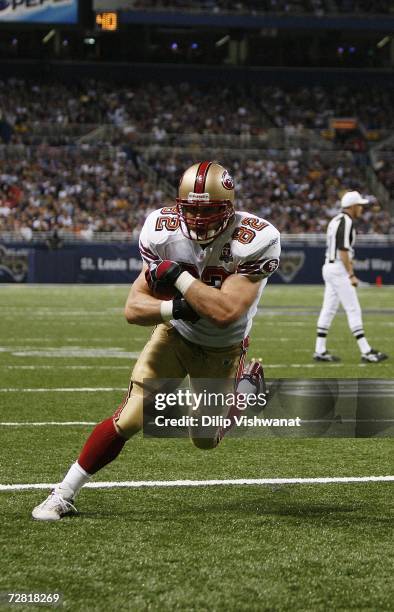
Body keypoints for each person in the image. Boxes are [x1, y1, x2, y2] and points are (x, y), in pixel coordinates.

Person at [32, 161, 281, 521]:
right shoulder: (161, 230)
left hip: (222, 347)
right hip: (175, 334)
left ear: (228, 209)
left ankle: (244, 391)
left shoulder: (256, 238)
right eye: (191, 210)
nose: (198, 220)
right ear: (179, 206)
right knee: (130, 417)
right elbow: (134, 308)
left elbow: (226, 311)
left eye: (208, 211)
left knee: (204, 439)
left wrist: (178, 277)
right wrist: (177, 309)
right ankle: (63, 493)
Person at [313, 190, 388, 363]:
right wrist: (351, 274)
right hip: (338, 268)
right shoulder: (346, 221)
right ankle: (366, 351)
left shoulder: (335, 220)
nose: (361, 209)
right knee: (353, 308)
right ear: (353, 206)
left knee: (329, 308)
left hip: (330, 266)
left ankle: (320, 349)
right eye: (360, 205)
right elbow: (343, 249)